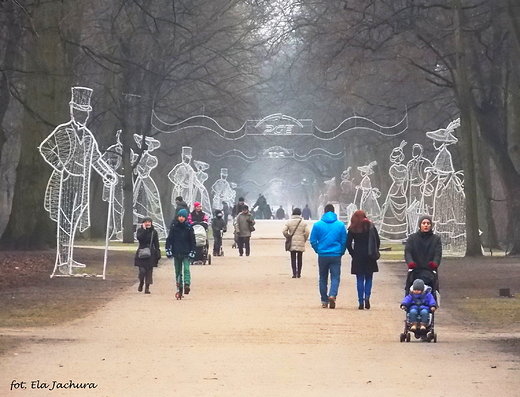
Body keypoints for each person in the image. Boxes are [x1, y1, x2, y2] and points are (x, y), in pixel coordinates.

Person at [39, 86, 118, 276]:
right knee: (64, 222)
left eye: (85, 114)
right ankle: (63, 260)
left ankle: (68, 256)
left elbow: (96, 159)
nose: (82, 117)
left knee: (73, 222)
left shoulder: (89, 138)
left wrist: (108, 174)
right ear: (72, 111)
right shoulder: (62, 131)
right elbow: (45, 148)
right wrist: (60, 165)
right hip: (65, 182)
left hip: (81, 184)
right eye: (79, 112)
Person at [310, 203, 348, 309]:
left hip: (323, 254)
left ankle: (324, 300)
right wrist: (341, 251)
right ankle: (332, 294)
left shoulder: (317, 225)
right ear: (334, 211)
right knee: (335, 277)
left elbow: (313, 240)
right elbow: (344, 240)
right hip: (336, 254)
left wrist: (318, 249)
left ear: (324, 212)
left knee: (323, 277)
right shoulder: (340, 225)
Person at [347, 210, 380, 310]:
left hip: (358, 256)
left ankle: (360, 301)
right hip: (369, 256)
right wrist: (374, 251)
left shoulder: (353, 228)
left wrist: (353, 253)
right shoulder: (370, 226)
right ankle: (367, 297)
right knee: (369, 278)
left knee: (360, 279)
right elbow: (377, 240)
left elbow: (348, 243)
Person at [404, 214, 442, 290]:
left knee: (432, 291)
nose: (426, 225)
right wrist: (410, 262)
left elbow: (438, 253)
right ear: (420, 225)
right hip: (415, 269)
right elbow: (408, 252)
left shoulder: (436, 239)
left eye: (428, 223)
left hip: (430, 270)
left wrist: (435, 263)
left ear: (431, 225)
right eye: (423, 223)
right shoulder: (412, 238)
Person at [165, 209, 196, 298]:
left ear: (185, 218)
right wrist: (168, 249)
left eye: (183, 217)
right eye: (180, 216)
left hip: (186, 252)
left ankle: (187, 284)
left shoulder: (189, 228)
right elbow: (169, 239)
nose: (181, 218)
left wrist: (193, 251)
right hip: (176, 251)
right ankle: (179, 287)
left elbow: (192, 241)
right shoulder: (174, 227)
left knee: (186, 269)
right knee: (178, 271)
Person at [134, 217, 161, 294]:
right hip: (141, 252)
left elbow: (156, 243)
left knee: (149, 271)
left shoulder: (154, 232)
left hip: (151, 253)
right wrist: (144, 230)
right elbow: (139, 238)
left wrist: (157, 253)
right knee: (142, 271)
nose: (147, 223)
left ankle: (147, 287)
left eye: (149, 222)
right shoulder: (140, 231)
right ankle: (141, 282)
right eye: (146, 222)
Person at [282, 208, 310, 278]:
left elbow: (284, 231)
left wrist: (288, 236)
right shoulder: (303, 222)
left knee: (293, 258)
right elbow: (307, 232)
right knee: (300, 258)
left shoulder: (289, 222)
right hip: (300, 241)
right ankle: (299, 273)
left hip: (292, 242)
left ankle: (294, 273)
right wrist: (304, 239)